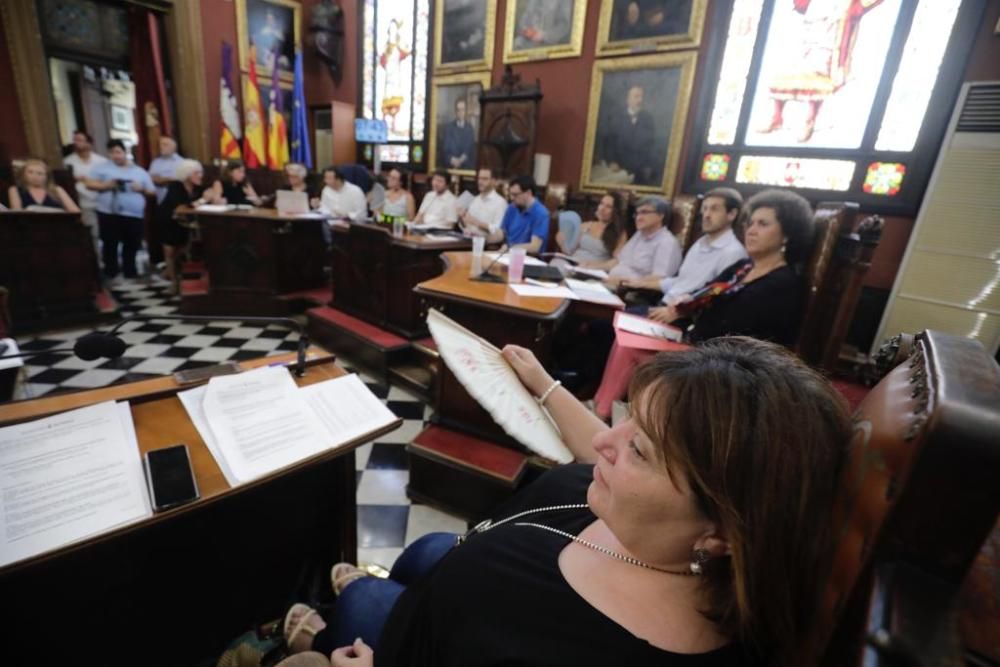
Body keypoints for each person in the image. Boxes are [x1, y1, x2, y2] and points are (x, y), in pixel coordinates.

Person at [280, 335, 851, 667]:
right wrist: (543, 383)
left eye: (642, 452)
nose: (606, 442)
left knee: (363, 607)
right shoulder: (655, 525)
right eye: (627, 422)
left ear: (720, 531)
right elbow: (592, 444)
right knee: (427, 550)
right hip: (454, 578)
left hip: (415, 644)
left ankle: (331, 626)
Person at [592, 189, 814, 420]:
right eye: (751, 223)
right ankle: (602, 407)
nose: (751, 230)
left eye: (763, 224)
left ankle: (601, 413)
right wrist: (685, 304)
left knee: (631, 347)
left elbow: (744, 336)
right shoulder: (743, 268)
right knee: (626, 334)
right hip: (697, 342)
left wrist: (687, 326)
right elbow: (705, 292)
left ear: (787, 234)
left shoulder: (783, 284)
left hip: (728, 366)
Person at [757, 0, 886, 143]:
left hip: (832, 37)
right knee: (788, 71)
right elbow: (801, 5)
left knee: (818, 77)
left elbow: (861, 7)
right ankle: (776, 116)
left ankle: (810, 120)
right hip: (808, 31)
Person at [623, 187, 748, 308]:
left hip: (681, 315)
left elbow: (712, 299)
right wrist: (641, 283)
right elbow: (681, 282)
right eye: (705, 209)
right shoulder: (700, 243)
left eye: (714, 209)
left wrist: (674, 312)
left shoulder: (733, 253)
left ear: (731, 214)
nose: (706, 215)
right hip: (664, 305)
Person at [84, 139, 156, 282]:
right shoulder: (101, 169)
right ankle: (111, 271)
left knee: (132, 242)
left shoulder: (139, 171)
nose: (116, 156)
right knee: (110, 242)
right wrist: (106, 185)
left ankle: (130, 270)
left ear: (125, 152)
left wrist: (140, 188)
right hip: (108, 212)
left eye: (118, 152)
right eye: (112, 153)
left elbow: (152, 192)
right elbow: (88, 183)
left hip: (133, 214)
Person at [155, 159, 220, 290]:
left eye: (200, 173)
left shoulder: (197, 187)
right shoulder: (175, 186)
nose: (200, 176)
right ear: (187, 174)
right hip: (168, 220)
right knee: (170, 252)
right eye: (196, 173)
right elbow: (182, 207)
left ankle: (175, 276)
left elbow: (211, 194)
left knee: (182, 250)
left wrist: (214, 192)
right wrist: (203, 200)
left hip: (184, 223)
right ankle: (173, 283)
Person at [605, 196, 681, 289]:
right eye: (637, 213)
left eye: (644, 212)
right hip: (611, 283)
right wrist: (589, 268)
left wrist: (622, 281)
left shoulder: (667, 242)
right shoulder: (639, 234)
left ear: (661, 216)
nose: (638, 218)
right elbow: (619, 261)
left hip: (633, 293)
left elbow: (659, 279)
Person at [599, 84, 656, 185]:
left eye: (641, 97)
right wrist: (611, 161)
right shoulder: (615, 117)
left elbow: (651, 146)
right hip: (618, 169)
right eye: (636, 96)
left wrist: (648, 166)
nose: (640, 100)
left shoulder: (648, 119)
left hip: (640, 170)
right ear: (628, 99)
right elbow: (608, 143)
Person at [63, 129, 108, 252]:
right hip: (84, 202)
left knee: (107, 233)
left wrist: (92, 182)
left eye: (80, 140)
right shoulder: (68, 161)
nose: (76, 143)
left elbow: (107, 180)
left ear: (89, 143)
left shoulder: (101, 161)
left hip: (102, 201)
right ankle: (97, 262)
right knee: (92, 233)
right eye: (75, 140)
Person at [555, 192, 626, 269]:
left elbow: (617, 261)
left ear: (616, 212)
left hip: (595, 269)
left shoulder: (620, 233)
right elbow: (569, 251)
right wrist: (562, 241)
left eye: (608, 207)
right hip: (574, 263)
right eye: (601, 204)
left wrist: (593, 266)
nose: (602, 208)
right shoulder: (586, 225)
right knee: (556, 263)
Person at [7, 159, 79, 213]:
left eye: (40, 173)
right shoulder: (14, 190)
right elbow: (17, 215)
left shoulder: (57, 190)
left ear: (46, 176)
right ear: (24, 174)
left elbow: (75, 212)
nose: (35, 176)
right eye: (30, 172)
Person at [499, 174, 549, 253]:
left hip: (528, 258)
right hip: (507, 254)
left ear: (528, 193)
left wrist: (510, 247)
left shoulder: (541, 213)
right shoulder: (512, 208)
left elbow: (535, 246)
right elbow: (502, 233)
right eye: (510, 194)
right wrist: (485, 236)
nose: (512, 198)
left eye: (515, 195)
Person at [457, 167, 506, 243]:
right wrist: (461, 218)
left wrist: (477, 222)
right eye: (479, 178)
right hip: (468, 241)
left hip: (487, 244)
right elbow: (467, 225)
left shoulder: (500, 203)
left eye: (485, 179)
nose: (480, 182)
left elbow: (498, 230)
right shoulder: (474, 200)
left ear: (494, 181)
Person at [441, 98, 476, 171]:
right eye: (458, 110)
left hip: (466, 167)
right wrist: (453, 160)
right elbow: (445, 150)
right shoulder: (448, 128)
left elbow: (469, 151)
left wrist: (460, 161)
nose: (460, 112)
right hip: (450, 166)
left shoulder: (470, 129)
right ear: (455, 111)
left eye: (463, 109)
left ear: (465, 111)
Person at [148, 136, 184, 205]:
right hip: (160, 200)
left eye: (165, 144)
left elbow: (178, 180)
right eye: (160, 144)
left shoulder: (182, 162)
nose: (161, 147)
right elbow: (150, 179)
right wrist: (167, 179)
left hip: (176, 201)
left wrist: (161, 179)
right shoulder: (155, 162)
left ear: (173, 147)